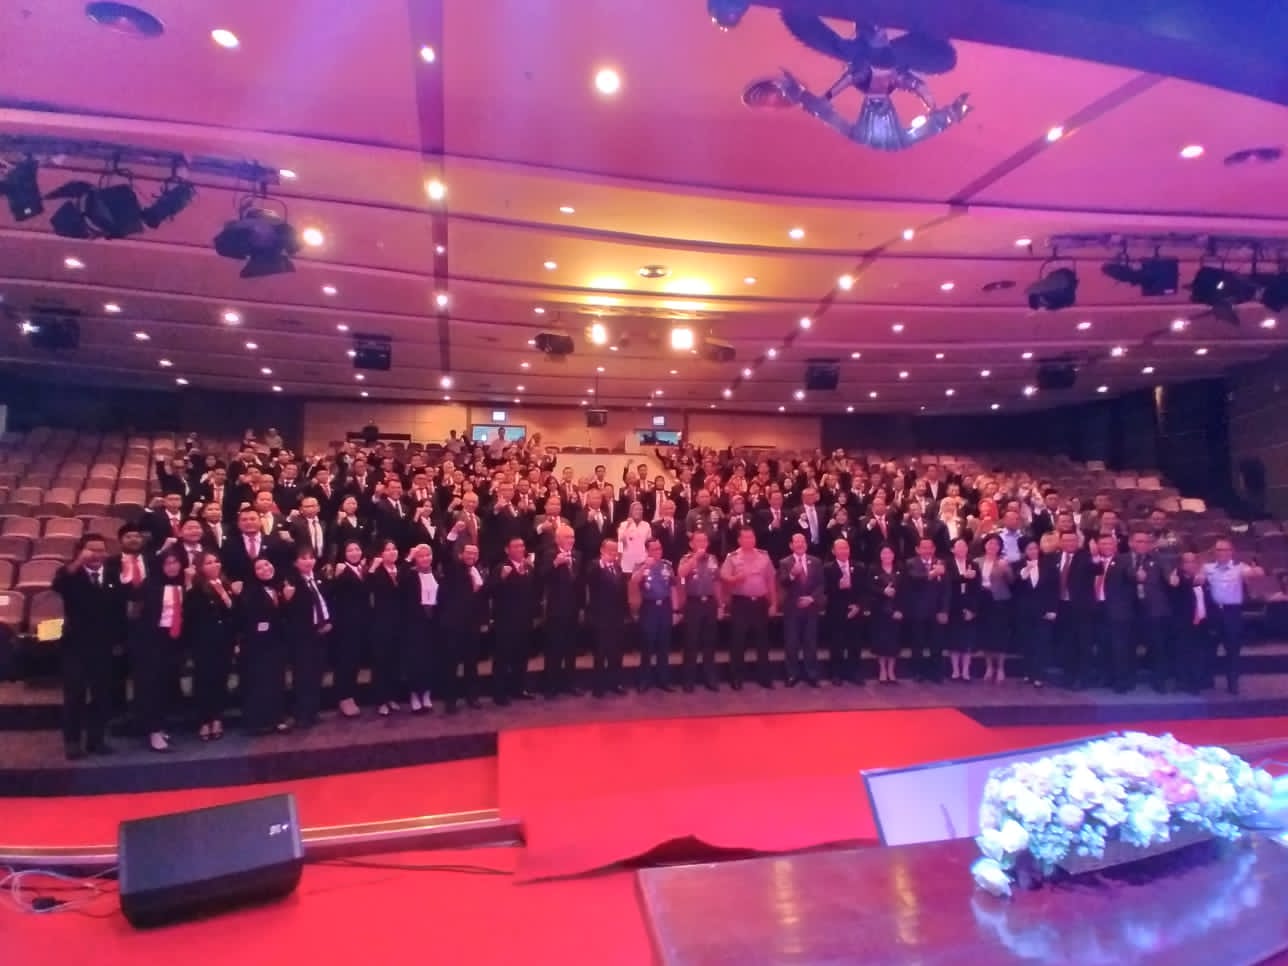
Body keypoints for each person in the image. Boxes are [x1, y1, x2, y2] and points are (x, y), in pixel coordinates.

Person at [52, 534, 124, 759]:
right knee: (75, 695)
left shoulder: (112, 574)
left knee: (102, 695)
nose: (96, 554)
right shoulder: (70, 573)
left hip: (104, 646)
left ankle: (96, 740)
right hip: (76, 646)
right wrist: (78, 562)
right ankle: (72, 742)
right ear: (80, 551)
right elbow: (58, 586)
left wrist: (119, 641)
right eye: (91, 550)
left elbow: (118, 609)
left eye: (101, 550)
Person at [133, 548, 186, 752]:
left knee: (166, 684)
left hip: (174, 641)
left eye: (176, 562)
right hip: (151, 640)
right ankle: (152, 730)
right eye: (168, 563)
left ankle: (160, 725)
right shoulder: (150, 585)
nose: (172, 567)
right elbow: (137, 613)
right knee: (152, 686)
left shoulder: (184, 583)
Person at [1202, 538, 1265, 695]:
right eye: (1218, 550)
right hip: (1213, 612)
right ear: (1214, 552)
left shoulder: (1239, 567)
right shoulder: (1207, 568)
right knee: (1209, 648)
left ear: (1231, 552)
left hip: (1232, 612)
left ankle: (1232, 683)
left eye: (1225, 550)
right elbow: (1196, 577)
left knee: (1233, 649)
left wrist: (1256, 570)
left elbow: (1256, 573)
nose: (1221, 553)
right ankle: (1208, 680)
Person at [186, 551, 237, 740]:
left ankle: (217, 718)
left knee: (220, 679)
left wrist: (224, 594)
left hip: (225, 640)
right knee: (204, 680)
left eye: (216, 561)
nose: (214, 565)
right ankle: (204, 720)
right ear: (200, 567)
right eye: (208, 563)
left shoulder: (226, 585)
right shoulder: (195, 589)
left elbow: (233, 612)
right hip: (204, 641)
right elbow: (191, 615)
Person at [720, 526, 778, 689]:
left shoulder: (764, 556)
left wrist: (773, 603)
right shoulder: (732, 557)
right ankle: (736, 678)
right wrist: (735, 579)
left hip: (760, 603)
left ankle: (764, 677)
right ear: (739, 540)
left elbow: (770, 581)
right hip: (741, 603)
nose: (749, 540)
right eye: (745, 537)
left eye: (751, 537)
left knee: (762, 641)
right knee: (738, 641)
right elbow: (723, 578)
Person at [239, 557, 290, 734]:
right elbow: (247, 619)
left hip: (277, 642)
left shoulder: (280, 586)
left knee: (277, 680)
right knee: (259, 682)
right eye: (259, 567)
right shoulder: (249, 591)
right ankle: (259, 721)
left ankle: (278, 717)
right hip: (257, 645)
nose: (265, 569)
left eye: (267, 564)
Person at [437, 542, 488, 712]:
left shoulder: (479, 571)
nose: (471, 556)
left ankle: (472, 697)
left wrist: (484, 621)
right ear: (461, 554)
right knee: (451, 664)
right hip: (454, 625)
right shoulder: (454, 569)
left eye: (474, 553)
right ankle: (450, 701)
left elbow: (482, 599)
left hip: (472, 625)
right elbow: (444, 555)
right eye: (468, 553)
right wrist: (452, 535)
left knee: (471, 663)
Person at [492, 537, 538, 705]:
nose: (520, 549)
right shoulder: (501, 567)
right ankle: (499, 693)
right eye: (516, 546)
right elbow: (491, 591)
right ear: (507, 550)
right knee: (503, 657)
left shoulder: (528, 567)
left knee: (521, 656)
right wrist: (502, 578)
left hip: (524, 619)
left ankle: (519, 688)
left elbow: (534, 591)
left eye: (522, 546)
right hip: (505, 620)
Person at [540, 525, 583, 698]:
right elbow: (541, 577)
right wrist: (555, 564)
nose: (571, 540)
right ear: (557, 539)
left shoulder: (577, 555)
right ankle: (551, 686)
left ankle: (570, 684)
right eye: (567, 537)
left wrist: (581, 607)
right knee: (554, 649)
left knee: (571, 648)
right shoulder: (549, 554)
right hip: (556, 610)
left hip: (573, 609)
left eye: (572, 537)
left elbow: (580, 583)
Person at [778, 532, 825, 687]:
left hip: (811, 608)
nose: (800, 544)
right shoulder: (784, 562)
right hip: (792, 609)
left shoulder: (816, 561)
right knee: (791, 643)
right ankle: (792, 674)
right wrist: (792, 574)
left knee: (810, 643)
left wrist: (811, 598)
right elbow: (782, 582)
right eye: (796, 542)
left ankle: (812, 674)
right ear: (791, 545)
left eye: (802, 541)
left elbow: (821, 584)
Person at [677, 529, 722, 692]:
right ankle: (688, 680)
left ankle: (710, 678)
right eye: (698, 541)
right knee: (691, 642)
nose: (702, 544)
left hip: (709, 603)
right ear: (691, 544)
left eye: (704, 541)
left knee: (709, 642)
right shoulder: (686, 558)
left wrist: (720, 604)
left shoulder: (713, 559)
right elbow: (681, 574)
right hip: (693, 604)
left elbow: (717, 581)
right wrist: (695, 558)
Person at [631, 538, 678, 692]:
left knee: (664, 645)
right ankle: (644, 680)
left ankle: (663, 680)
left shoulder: (667, 565)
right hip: (649, 607)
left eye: (660, 548)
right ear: (647, 551)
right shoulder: (641, 566)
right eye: (654, 549)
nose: (658, 552)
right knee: (647, 645)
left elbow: (673, 587)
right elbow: (634, 581)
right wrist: (645, 566)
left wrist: (675, 610)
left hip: (665, 607)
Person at [328, 540, 369, 718]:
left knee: (355, 661)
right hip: (345, 625)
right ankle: (343, 697)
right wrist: (335, 577)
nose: (354, 553)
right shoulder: (341, 570)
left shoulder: (363, 569)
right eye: (350, 550)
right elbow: (331, 594)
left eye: (357, 549)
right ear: (344, 554)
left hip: (361, 624)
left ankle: (351, 695)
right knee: (345, 662)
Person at [398, 543, 438, 713]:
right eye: (421, 556)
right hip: (414, 624)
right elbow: (400, 578)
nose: (425, 558)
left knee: (430, 660)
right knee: (415, 660)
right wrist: (408, 557)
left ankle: (427, 693)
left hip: (432, 624)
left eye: (428, 555)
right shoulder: (410, 575)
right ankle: (414, 694)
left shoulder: (437, 573)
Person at [1014, 539, 1058, 688]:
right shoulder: (1018, 565)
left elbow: (1054, 588)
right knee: (1027, 642)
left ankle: (1039, 675)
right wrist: (1024, 573)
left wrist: (1053, 609)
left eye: (1035, 548)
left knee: (1041, 643)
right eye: (1029, 549)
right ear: (1024, 551)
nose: (1033, 551)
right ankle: (1028, 672)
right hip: (1024, 611)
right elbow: (1014, 586)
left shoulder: (1048, 565)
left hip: (1043, 610)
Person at [904, 537, 949, 682]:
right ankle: (918, 672)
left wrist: (944, 610)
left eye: (930, 547)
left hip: (936, 610)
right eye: (924, 547)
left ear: (934, 549)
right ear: (917, 549)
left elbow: (946, 589)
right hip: (918, 610)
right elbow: (914, 579)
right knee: (918, 643)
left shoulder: (941, 563)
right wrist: (932, 574)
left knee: (937, 643)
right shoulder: (911, 563)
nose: (927, 550)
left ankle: (936, 673)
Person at [367, 540, 405, 715]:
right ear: (381, 554)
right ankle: (380, 700)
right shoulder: (377, 572)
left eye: (394, 549)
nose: (392, 552)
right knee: (381, 662)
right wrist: (372, 568)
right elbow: (367, 589)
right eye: (387, 549)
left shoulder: (401, 570)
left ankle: (392, 697)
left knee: (394, 662)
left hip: (399, 622)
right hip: (381, 623)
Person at [824, 537, 865, 685]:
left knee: (855, 643)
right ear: (833, 551)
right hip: (836, 611)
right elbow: (824, 591)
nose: (844, 551)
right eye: (840, 548)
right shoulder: (827, 568)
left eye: (846, 548)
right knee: (837, 644)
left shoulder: (859, 567)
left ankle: (854, 673)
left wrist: (859, 606)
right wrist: (838, 587)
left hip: (855, 611)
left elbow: (865, 590)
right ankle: (836, 673)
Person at [975, 534, 1014, 684]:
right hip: (983, 600)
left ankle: (1001, 668)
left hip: (1000, 601)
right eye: (990, 543)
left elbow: (1012, 581)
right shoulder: (977, 561)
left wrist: (1006, 570)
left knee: (1000, 635)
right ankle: (989, 667)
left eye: (996, 544)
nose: (992, 546)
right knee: (985, 634)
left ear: (1000, 547)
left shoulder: (1003, 561)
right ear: (985, 545)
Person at [945, 538, 980, 682]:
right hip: (953, 605)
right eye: (958, 546)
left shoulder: (973, 564)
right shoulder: (947, 564)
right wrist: (963, 577)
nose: (962, 548)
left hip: (969, 604)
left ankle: (966, 671)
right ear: (952, 549)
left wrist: (973, 609)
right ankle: (955, 671)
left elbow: (977, 588)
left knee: (967, 641)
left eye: (964, 546)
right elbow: (948, 582)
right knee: (954, 640)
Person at [869, 544, 903, 684]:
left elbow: (905, 590)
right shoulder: (873, 569)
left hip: (896, 611)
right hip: (880, 612)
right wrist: (883, 591)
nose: (887, 556)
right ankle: (882, 670)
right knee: (881, 642)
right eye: (884, 553)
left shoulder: (900, 569)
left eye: (889, 553)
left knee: (894, 642)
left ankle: (891, 670)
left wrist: (900, 609)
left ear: (893, 555)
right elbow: (869, 587)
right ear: (880, 555)